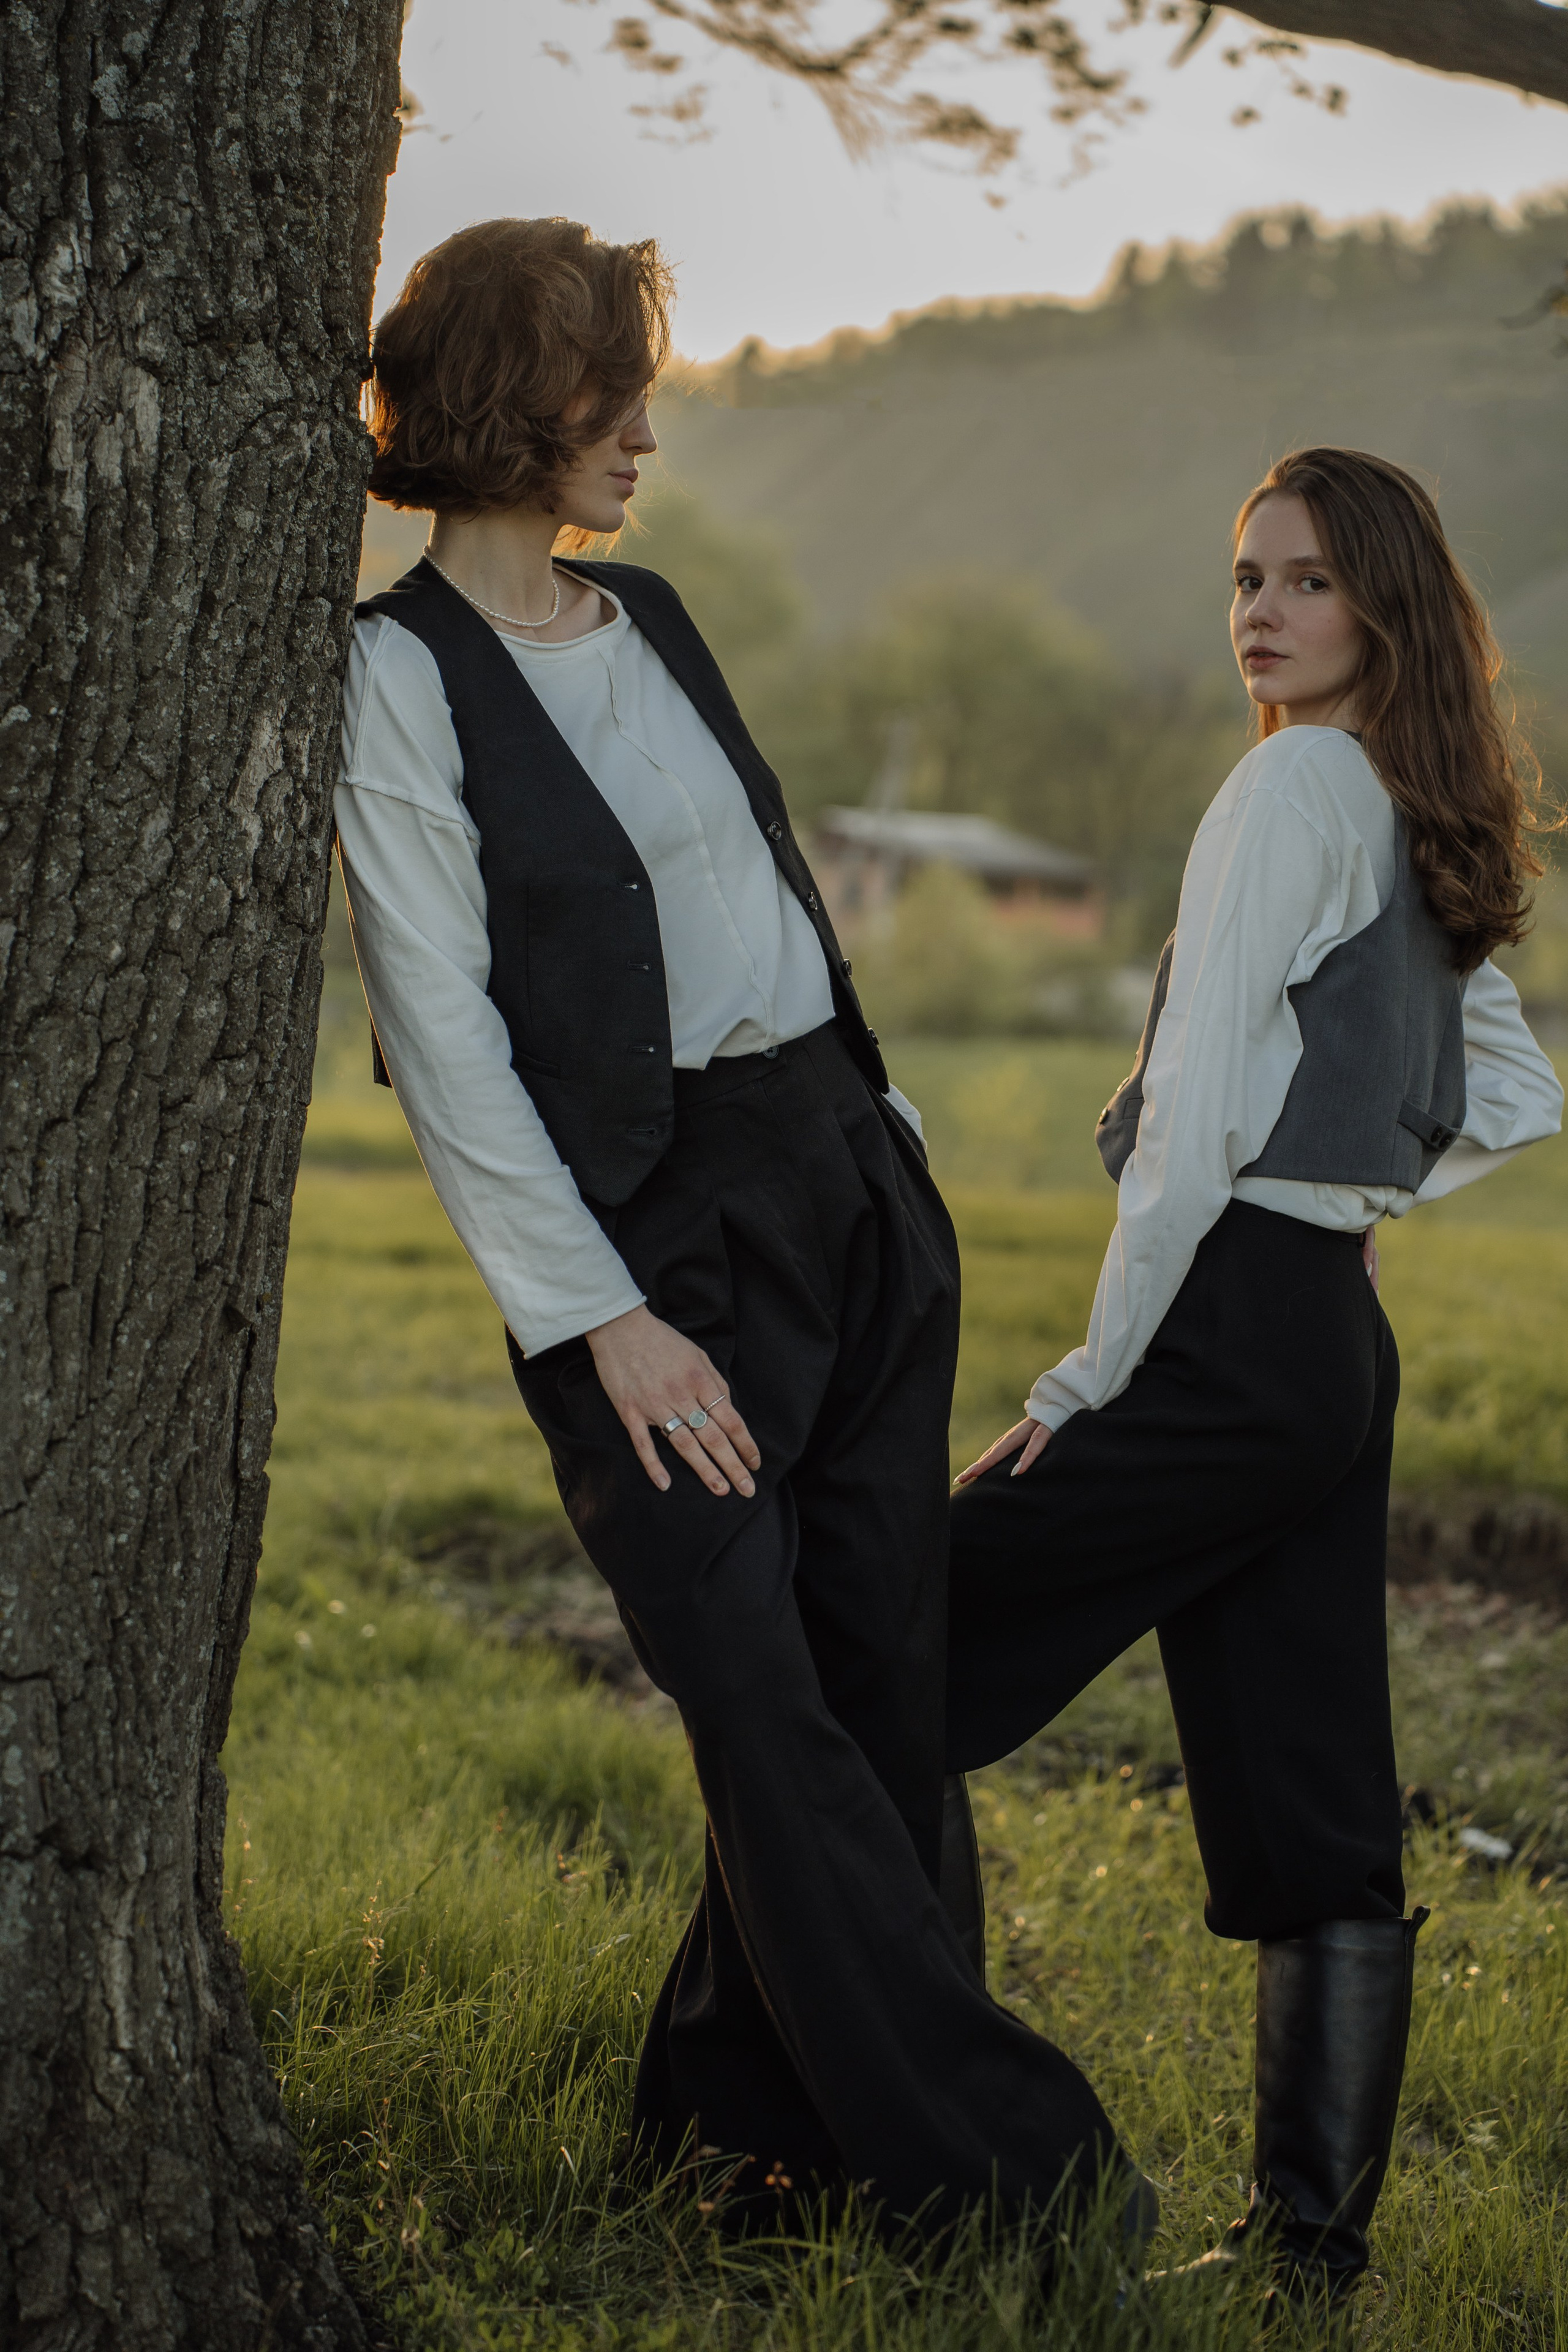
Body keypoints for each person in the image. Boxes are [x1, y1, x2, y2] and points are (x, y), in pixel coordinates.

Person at [334, 215, 1148, 2242]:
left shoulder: (659, 615)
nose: (644, 439)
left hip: (848, 1180)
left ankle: (742, 2145)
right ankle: (1009, 2194)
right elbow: (445, 1047)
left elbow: (766, 891)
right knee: (766, 1712)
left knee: (882, 1677)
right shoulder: (394, 681)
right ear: (520, 401)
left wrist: (886, 1132)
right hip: (649, 1249)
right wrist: (605, 1323)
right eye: (613, 396)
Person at [944, 445, 1562, 2303]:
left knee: (879, 1625)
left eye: (1301, 581)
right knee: (1313, 1784)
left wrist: (1084, 1379)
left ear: (1379, 603)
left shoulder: (1292, 785)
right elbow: (1518, 1097)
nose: (1261, 617)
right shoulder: (1423, 798)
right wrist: (1364, 1191)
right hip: (1324, 1347)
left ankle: (844, 2121)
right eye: (1244, 581)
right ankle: (1310, 2259)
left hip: (1221, 1333)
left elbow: (1197, 1125)